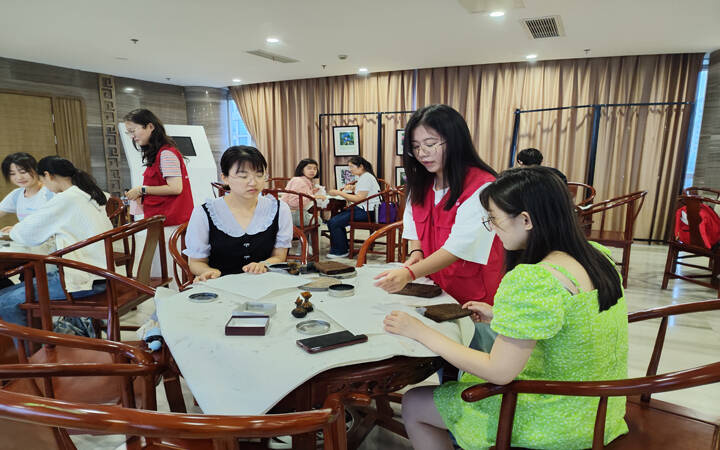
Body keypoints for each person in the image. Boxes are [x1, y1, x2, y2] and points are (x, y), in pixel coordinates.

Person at [384, 167, 628, 450]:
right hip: (602, 408)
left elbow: (498, 372)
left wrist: (420, 331)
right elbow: (573, 319)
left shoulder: (535, 278)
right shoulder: (598, 256)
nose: (492, 228)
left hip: (558, 419)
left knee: (414, 402)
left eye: (494, 219)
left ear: (525, 220)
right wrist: (501, 316)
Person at [374, 104, 504, 307]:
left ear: (456, 141)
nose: (422, 153)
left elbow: (457, 247)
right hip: (435, 286)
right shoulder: (421, 183)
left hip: (472, 292)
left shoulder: (482, 186)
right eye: (416, 147)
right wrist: (416, 252)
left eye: (430, 144)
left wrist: (409, 273)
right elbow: (414, 225)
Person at [0, 156, 112, 326]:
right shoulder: (84, 194)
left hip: (84, 279)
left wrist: (13, 231)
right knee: (8, 292)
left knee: (4, 301)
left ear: (47, 175)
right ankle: (45, 335)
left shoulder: (65, 198)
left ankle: (36, 342)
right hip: (101, 273)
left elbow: (25, 233)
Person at [183, 146, 292, 281]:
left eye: (259, 175)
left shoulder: (279, 209)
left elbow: (279, 256)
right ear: (225, 178)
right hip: (221, 286)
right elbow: (196, 262)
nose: (253, 182)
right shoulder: (204, 213)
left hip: (264, 283)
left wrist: (264, 264)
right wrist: (209, 272)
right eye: (243, 176)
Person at [123, 109, 194, 279]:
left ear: (150, 126)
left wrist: (142, 189)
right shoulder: (158, 153)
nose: (132, 136)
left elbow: (175, 187)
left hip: (171, 222)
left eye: (133, 130)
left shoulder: (166, 153)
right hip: (162, 221)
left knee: (170, 273)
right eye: (129, 133)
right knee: (162, 271)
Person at [325, 156, 381, 258]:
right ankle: (342, 247)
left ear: (361, 167)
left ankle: (340, 251)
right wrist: (353, 187)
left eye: (351, 167)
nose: (350, 170)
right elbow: (365, 192)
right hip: (367, 210)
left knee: (334, 222)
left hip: (367, 212)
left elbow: (359, 199)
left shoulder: (366, 178)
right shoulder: (365, 177)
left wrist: (338, 193)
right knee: (335, 220)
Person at [0, 152, 54, 233]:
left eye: (23, 172)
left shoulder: (51, 192)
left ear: (36, 169)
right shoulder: (16, 195)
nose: (19, 177)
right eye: (12, 174)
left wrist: (18, 228)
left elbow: (53, 223)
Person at [280, 158, 326, 226]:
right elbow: (293, 202)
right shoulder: (299, 181)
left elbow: (300, 195)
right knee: (318, 220)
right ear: (302, 169)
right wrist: (314, 197)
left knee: (315, 218)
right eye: (309, 168)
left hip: (288, 214)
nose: (312, 171)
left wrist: (311, 192)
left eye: (315, 169)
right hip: (291, 214)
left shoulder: (300, 180)